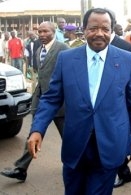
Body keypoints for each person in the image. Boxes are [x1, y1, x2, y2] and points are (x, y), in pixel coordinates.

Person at [27, 8, 131, 195]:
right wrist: (37, 129)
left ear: (111, 30)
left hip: (109, 143)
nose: (99, 33)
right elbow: (51, 98)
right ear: (84, 29)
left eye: (105, 29)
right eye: (93, 28)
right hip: (75, 146)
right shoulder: (66, 59)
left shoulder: (126, 59)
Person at [0, 21, 69, 181]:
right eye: (40, 32)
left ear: (54, 32)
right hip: (42, 101)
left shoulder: (63, 49)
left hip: (61, 103)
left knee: (69, 137)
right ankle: (21, 169)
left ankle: (77, 164)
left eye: (46, 31)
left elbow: (71, 75)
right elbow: (41, 75)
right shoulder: (38, 50)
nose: (42, 35)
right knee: (34, 133)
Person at [110, 15, 131, 188]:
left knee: (117, 141)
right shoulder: (92, 46)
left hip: (121, 105)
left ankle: (124, 172)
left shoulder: (126, 48)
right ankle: (124, 173)